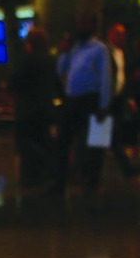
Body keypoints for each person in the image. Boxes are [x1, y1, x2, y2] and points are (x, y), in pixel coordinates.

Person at [53, 13, 111, 196]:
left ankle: (93, 182)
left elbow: (105, 77)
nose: (81, 28)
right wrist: (64, 52)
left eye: (85, 24)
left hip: (92, 99)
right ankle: (59, 184)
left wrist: (104, 105)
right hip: (73, 100)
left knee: (96, 144)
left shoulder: (99, 48)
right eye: (79, 24)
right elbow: (60, 71)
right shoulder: (74, 48)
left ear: (93, 27)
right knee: (63, 141)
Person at [8, 27, 61, 191]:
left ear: (29, 43)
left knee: (26, 143)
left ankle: (30, 178)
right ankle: (43, 175)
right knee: (43, 140)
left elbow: (14, 84)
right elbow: (57, 85)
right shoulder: (51, 61)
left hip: (27, 111)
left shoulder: (27, 61)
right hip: (46, 110)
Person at [104, 22, 139, 184]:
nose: (121, 38)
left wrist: (127, 98)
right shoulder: (105, 52)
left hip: (117, 99)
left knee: (110, 136)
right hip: (107, 99)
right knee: (106, 136)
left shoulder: (121, 53)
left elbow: (122, 78)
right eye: (118, 34)